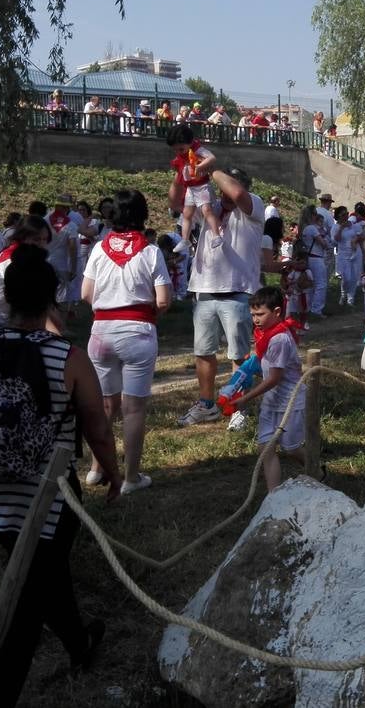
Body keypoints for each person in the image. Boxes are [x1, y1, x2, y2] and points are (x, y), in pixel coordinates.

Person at [0, 244, 122, 706]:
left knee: (41, 579)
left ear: (7, 299)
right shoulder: (66, 355)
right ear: (52, 299)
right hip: (47, 499)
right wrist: (112, 473)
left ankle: (80, 643)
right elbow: (96, 425)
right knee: (26, 604)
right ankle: (0, 696)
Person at [81, 190, 171, 495]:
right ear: (143, 214)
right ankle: (131, 477)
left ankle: (96, 469)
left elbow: (85, 294)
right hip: (138, 332)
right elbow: (163, 300)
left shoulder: (98, 249)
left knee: (105, 405)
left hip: (101, 332)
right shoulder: (151, 251)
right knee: (133, 409)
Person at [179, 168, 285, 426]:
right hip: (204, 289)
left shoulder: (254, 206)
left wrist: (212, 168)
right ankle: (206, 404)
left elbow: (236, 192)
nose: (225, 195)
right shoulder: (211, 207)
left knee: (239, 355)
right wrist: (185, 170)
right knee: (203, 351)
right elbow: (176, 202)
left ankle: (239, 406)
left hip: (237, 291)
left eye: (230, 188)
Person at [225, 286, 306, 491]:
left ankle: (316, 468)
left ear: (277, 312)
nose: (255, 319)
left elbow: (274, 379)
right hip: (271, 401)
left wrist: (246, 398)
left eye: (260, 314)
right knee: (265, 448)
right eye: (252, 314)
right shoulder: (264, 333)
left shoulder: (279, 339)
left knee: (291, 448)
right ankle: (274, 495)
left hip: (290, 401)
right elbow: (261, 362)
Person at [0, 216, 51, 338]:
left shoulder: (23, 256)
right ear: (22, 238)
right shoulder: (14, 260)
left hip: (2, 317)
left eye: (45, 240)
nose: (43, 245)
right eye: (36, 240)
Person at [166, 124, 222, 254]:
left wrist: (199, 166)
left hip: (201, 186)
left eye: (181, 148)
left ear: (190, 142)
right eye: (176, 150)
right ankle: (185, 239)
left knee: (207, 210)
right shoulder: (181, 157)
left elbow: (212, 158)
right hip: (190, 188)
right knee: (187, 214)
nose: (179, 152)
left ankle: (216, 235)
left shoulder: (197, 150)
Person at [299, 204, 331, 319]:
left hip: (308, 257)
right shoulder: (312, 228)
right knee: (321, 284)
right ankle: (317, 310)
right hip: (317, 258)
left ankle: (309, 308)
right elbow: (323, 243)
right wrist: (327, 244)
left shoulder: (304, 228)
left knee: (312, 285)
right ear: (312, 215)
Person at [283, 256, 314, 330]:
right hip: (294, 294)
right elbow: (288, 281)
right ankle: (294, 324)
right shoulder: (294, 272)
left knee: (304, 310)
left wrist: (304, 285)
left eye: (303, 263)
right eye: (299, 263)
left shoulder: (307, 272)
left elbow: (311, 282)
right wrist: (293, 283)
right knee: (293, 310)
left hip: (305, 294)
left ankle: (304, 323)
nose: (301, 265)